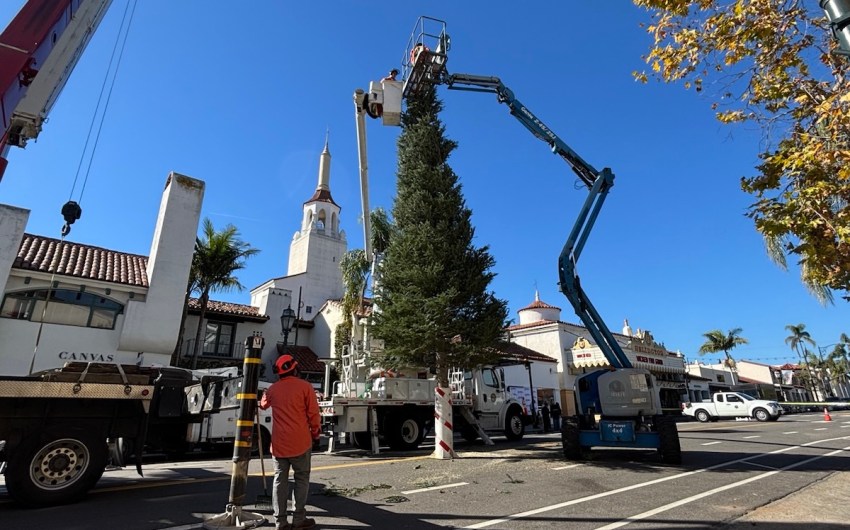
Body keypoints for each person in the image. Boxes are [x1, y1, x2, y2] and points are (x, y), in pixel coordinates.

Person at [259, 354, 321, 530]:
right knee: (301, 479)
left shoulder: (272, 389)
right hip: (301, 442)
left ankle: (280, 522)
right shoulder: (305, 387)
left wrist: (264, 395)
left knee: (280, 480)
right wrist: (316, 434)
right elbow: (314, 415)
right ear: (295, 368)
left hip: (279, 444)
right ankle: (299, 519)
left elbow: (263, 405)